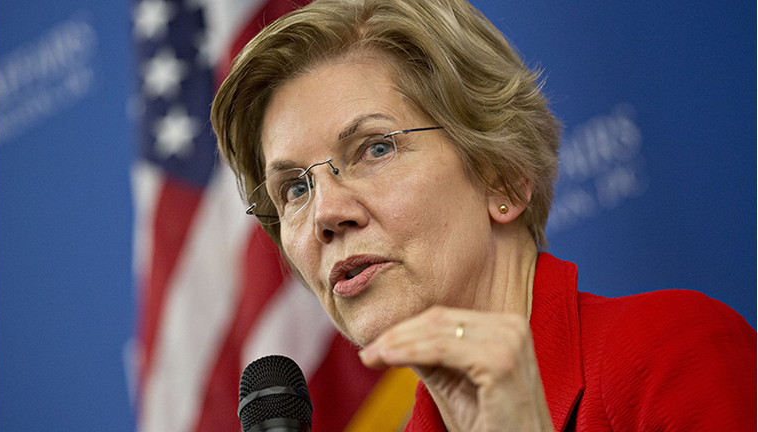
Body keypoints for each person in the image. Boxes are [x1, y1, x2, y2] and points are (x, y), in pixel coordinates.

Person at [210, 0, 756, 430]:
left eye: (374, 148)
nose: (325, 212)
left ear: (502, 172)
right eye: (294, 188)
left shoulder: (673, 356)